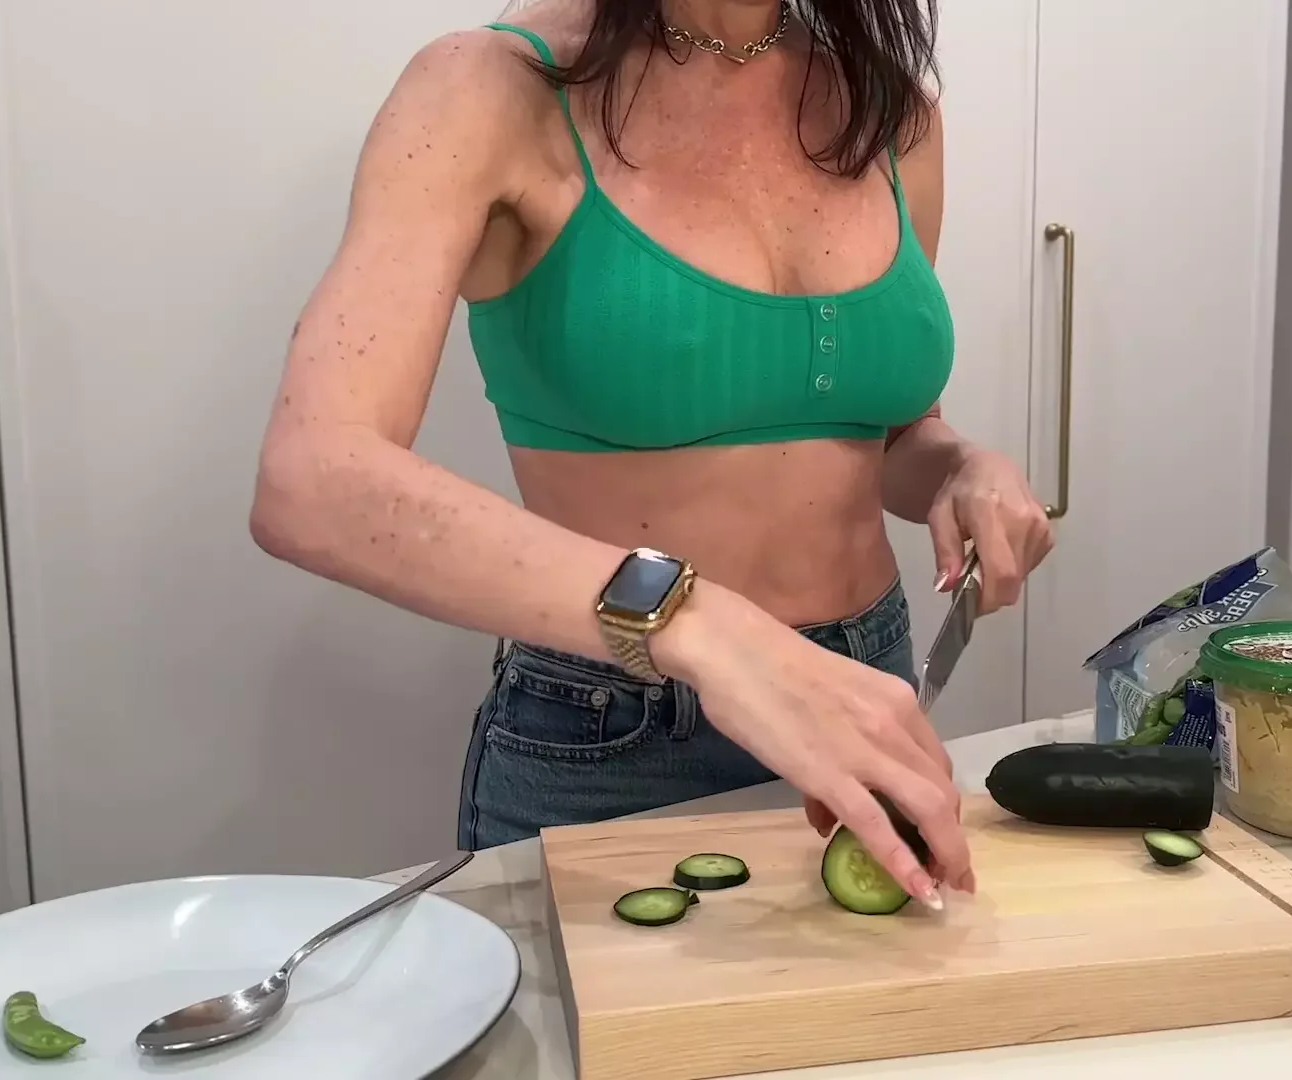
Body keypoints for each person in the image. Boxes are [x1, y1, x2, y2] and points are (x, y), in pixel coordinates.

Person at [248, 0, 1053, 909]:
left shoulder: (890, 111)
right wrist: (702, 626)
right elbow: (313, 477)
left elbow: (889, 431)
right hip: (617, 731)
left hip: (863, 696)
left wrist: (957, 466)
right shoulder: (490, 90)